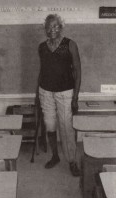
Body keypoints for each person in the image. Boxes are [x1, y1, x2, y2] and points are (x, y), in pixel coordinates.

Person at [36, 14, 81, 176]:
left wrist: (75, 98)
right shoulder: (42, 47)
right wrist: (37, 95)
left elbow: (77, 71)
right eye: (49, 27)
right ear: (45, 29)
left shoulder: (70, 45)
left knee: (66, 127)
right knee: (50, 125)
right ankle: (55, 156)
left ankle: (72, 161)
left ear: (61, 27)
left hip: (65, 93)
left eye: (55, 26)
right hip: (45, 92)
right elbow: (43, 71)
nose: (52, 30)